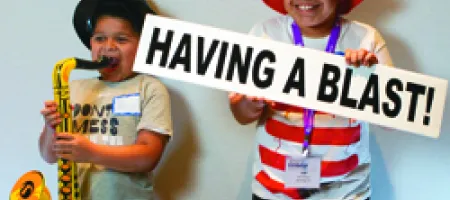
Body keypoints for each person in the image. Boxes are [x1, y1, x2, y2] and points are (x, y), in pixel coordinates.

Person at [229, 0, 394, 199]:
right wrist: (251, 102)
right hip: (274, 191)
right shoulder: (264, 33)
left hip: (348, 192)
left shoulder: (366, 38)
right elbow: (242, 116)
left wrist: (369, 78)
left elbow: (391, 121)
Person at [38, 0, 173, 199]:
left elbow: (148, 156)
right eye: (100, 38)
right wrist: (51, 128)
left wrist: (91, 152)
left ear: (141, 46)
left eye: (121, 39)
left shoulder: (149, 88)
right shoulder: (74, 89)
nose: (108, 47)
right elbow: (48, 156)